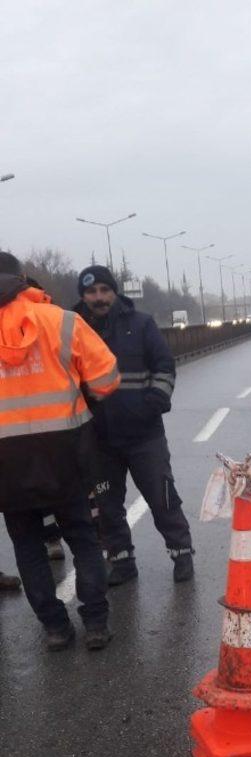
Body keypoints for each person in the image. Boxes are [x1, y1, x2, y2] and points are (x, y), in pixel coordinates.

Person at [0, 252, 120, 650]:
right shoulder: (62, 321)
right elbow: (106, 381)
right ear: (22, 278)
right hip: (67, 454)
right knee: (83, 536)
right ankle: (96, 623)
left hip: (6, 466)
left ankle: (55, 628)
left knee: (27, 545)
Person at [75, 266, 194, 585]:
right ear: (83, 296)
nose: (98, 298)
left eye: (104, 290)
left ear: (114, 292)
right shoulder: (73, 329)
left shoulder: (140, 324)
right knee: (107, 506)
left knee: (162, 497)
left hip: (144, 435)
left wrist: (153, 402)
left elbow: (164, 366)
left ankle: (182, 553)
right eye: (91, 292)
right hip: (98, 437)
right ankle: (122, 561)